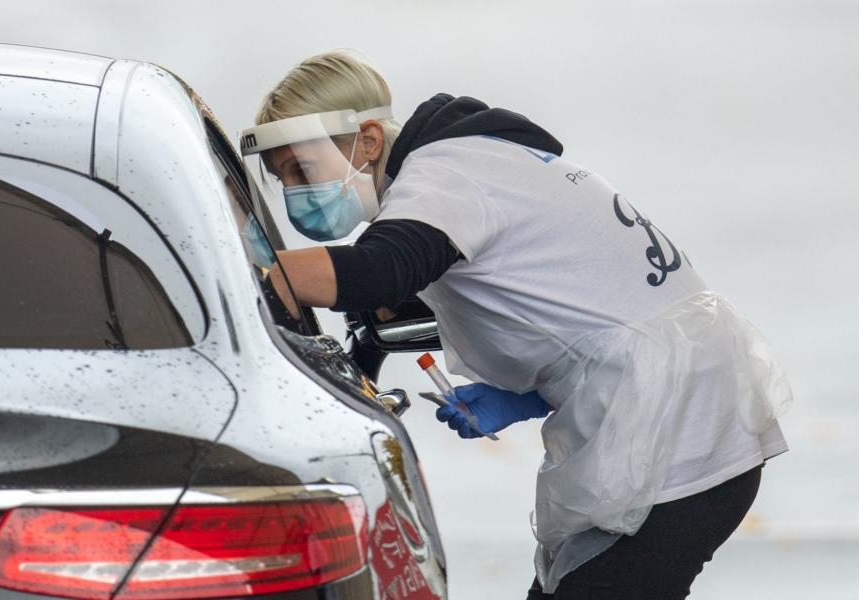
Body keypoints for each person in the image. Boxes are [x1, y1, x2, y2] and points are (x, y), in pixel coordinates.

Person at [238, 51, 792, 599]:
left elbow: (381, 271)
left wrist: (241, 267)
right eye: (282, 178)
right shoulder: (477, 162)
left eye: (301, 170)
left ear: (368, 141)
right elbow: (564, 300)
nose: (294, 193)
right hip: (679, 410)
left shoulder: (446, 176)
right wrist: (520, 394)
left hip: (677, 435)